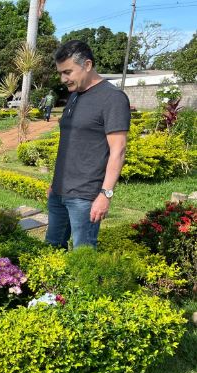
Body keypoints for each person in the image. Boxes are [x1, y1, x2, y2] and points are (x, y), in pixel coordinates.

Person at [45, 40, 130, 250]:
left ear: (88, 65)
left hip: (85, 196)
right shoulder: (74, 96)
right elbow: (72, 142)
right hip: (59, 192)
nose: (63, 79)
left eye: (68, 72)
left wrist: (105, 194)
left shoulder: (112, 98)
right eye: (60, 73)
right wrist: (55, 183)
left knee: (82, 255)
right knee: (51, 248)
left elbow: (118, 150)